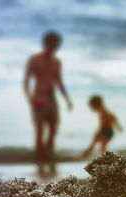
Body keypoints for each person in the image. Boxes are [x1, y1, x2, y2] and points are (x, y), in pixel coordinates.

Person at [23, 31, 73, 161]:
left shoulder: (57, 62)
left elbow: (59, 82)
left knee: (54, 129)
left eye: (57, 45)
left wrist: (67, 99)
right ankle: (40, 159)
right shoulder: (35, 60)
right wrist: (30, 98)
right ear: (46, 44)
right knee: (39, 130)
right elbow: (26, 81)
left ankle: (49, 155)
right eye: (53, 44)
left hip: (52, 99)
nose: (55, 47)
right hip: (39, 97)